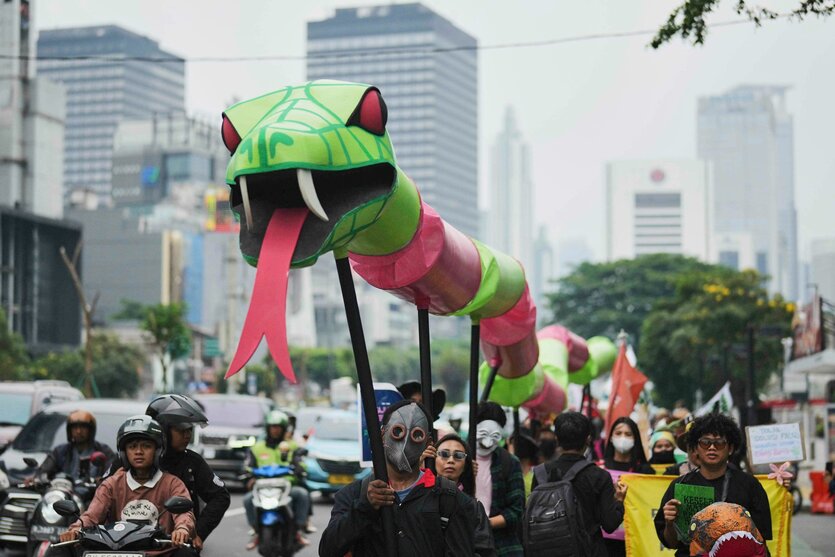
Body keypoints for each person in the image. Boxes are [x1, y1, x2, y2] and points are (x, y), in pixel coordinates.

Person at [319, 400, 477, 556]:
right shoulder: (355, 494)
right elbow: (328, 550)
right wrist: (365, 507)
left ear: (428, 443)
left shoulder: (449, 498)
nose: (405, 443)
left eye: (416, 435)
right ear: (383, 435)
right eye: (398, 432)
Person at [58, 415, 195, 556]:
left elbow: (184, 514)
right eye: (132, 446)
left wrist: (182, 529)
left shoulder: (172, 484)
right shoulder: (111, 484)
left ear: (158, 450)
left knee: (188, 553)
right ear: (124, 452)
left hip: (160, 553)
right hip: (116, 553)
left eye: (146, 446)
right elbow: (92, 516)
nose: (138, 452)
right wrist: (75, 529)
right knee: (59, 549)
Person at [654, 413, 773, 557]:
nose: (712, 447)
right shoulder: (680, 485)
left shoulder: (750, 485)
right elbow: (672, 544)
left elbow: (761, 541)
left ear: (730, 448)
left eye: (719, 443)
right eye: (705, 442)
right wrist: (669, 523)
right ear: (696, 448)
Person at [530, 412, 627, 557]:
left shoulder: (541, 473)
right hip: (589, 551)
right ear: (588, 439)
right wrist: (619, 500)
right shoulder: (599, 476)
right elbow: (610, 524)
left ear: (557, 439)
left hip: (549, 550)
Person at [146, 394, 231, 552]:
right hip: (132, 544)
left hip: (176, 545)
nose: (187, 435)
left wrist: (197, 533)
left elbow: (220, 497)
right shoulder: (130, 460)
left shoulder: (193, 462)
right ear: (162, 430)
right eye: (181, 429)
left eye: (189, 429)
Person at [243, 410, 310, 550]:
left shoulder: (291, 446)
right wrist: (248, 475)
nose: (275, 430)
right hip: (262, 487)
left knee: (302, 494)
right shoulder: (257, 448)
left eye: (279, 427)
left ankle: (298, 530)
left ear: (284, 428)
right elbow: (248, 466)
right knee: (248, 499)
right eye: (273, 426)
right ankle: (256, 531)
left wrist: (299, 469)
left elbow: (300, 462)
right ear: (268, 428)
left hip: (286, 486)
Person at [433, 433, 497, 557]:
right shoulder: (419, 498)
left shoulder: (473, 507)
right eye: (444, 454)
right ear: (432, 458)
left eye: (458, 456)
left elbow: (484, 550)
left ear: (466, 465)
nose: (451, 460)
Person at [474, 401, 525, 557]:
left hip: (503, 546)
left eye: (495, 436)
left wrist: (486, 524)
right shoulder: (458, 459)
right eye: (483, 434)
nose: (487, 442)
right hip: (465, 542)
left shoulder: (509, 462)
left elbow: (517, 509)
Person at [34, 410, 116, 482]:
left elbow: (113, 475)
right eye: (75, 427)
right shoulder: (60, 451)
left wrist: (101, 481)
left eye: (83, 427)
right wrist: (39, 478)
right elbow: (44, 471)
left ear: (90, 430)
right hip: (64, 491)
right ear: (69, 430)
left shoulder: (104, 451)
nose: (78, 431)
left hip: (94, 493)